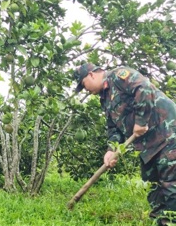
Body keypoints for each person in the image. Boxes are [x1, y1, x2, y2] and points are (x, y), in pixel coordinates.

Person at [74, 63, 176, 225]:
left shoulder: (119, 76)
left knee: (171, 185)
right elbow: (114, 127)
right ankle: (161, 222)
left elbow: (144, 88)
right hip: (149, 146)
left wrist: (141, 121)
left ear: (92, 75)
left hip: (168, 135)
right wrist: (111, 149)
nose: (85, 89)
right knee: (155, 186)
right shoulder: (105, 99)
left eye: (83, 84)